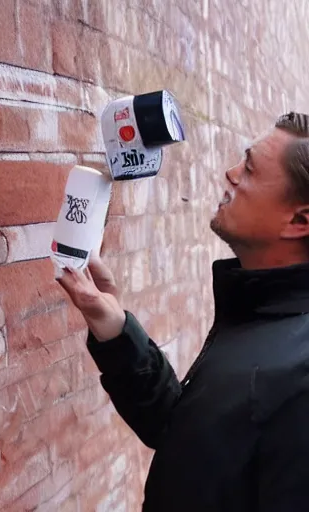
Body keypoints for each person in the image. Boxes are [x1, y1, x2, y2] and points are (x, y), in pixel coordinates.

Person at [57, 112, 309, 511]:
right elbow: (183, 436)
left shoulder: (300, 375)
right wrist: (115, 328)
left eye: (250, 168)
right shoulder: (257, 313)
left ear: (299, 220)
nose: (230, 173)